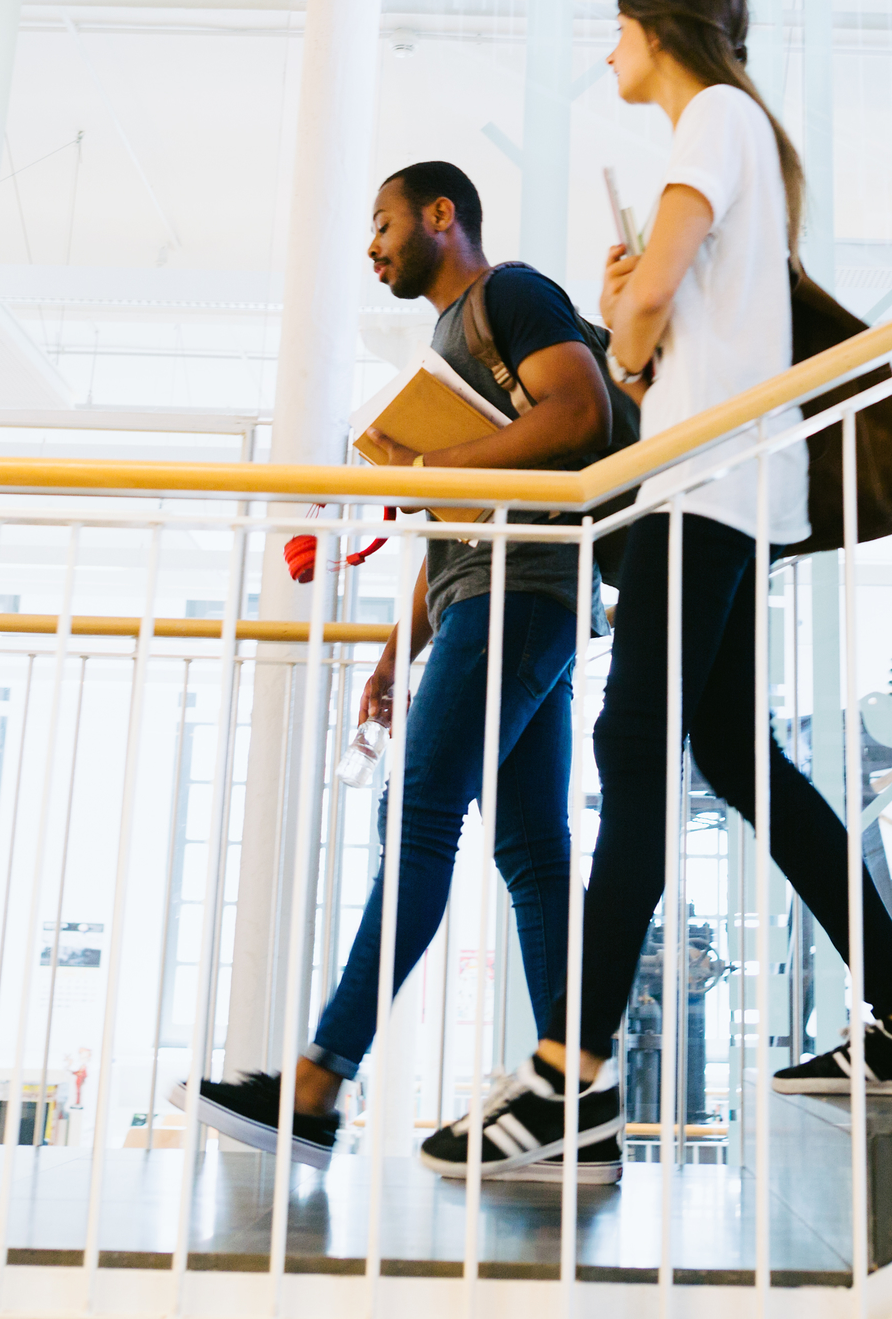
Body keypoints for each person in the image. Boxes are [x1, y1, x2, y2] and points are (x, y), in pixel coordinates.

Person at [416, 0, 892, 1185]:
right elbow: (672, 330)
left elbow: (656, 299)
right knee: (734, 760)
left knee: (631, 753)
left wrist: (627, 312)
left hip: (704, 490)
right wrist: (640, 325)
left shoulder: (714, 116)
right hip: (716, 482)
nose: (606, 51)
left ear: (659, 29)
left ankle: (572, 1078)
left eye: (614, 29)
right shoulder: (738, 139)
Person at [175, 161, 616, 1173]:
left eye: (382, 224)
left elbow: (581, 414)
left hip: (525, 590)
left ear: (440, 215)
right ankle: (574, 1099)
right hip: (497, 595)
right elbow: (450, 525)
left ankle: (319, 1083)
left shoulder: (506, 294)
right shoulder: (446, 344)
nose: (372, 246)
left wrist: (429, 471)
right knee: (531, 850)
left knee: (417, 818)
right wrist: (393, 649)